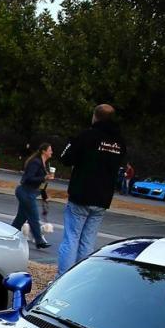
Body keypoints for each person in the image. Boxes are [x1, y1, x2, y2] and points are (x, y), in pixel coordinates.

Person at [56, 103, 126, 274]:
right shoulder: (120, 142)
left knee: (71, 238)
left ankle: (63, 277)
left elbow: (65, 158)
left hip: (81, 194)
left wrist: (71, 142)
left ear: (95, 116)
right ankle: (80, 277)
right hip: (102, 198)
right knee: (87, 242)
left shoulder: (87, 135)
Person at [12, 143, 53, 249]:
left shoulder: (44, 164)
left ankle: (10, 233)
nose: (51, 152)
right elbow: (28, 178)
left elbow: (41, 184)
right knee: (34, 217)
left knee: (21, 218)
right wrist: (44, 177)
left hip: (31, 193)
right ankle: (39, 241)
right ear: (44, 151)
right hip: (25, 192)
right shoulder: (36, 162)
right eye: (50, 150)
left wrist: (44, 197)